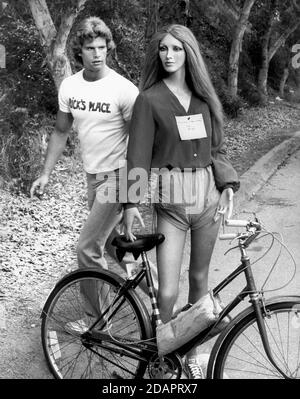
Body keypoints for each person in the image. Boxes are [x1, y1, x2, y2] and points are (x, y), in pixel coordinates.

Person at [123, 24, 240, 378]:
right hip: (171, 204)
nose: (169, 55)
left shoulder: (204, 99)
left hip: (207, 199)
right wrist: (130, 205)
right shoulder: (150, 99)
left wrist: (227, 183)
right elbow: (138, 156)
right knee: (169, 290)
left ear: (189, 52)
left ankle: (191, 354)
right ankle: (162, 357)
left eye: (176, 48)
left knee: (201, 282)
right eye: (163, 49)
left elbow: (215, 149)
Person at [30, 17, 157, 327]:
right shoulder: (70, 87)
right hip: (93, 178)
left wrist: (131, 200)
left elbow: (141, 146)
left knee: (87, 248)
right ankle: (162, 298)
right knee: (114, 247)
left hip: (119, 177)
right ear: (80, 52)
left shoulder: (123, 90)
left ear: (108, 49)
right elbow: (61, 132)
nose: (97, 54)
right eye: (90, 48)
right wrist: (46, 173)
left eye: (102, 47)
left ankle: (97, 322)